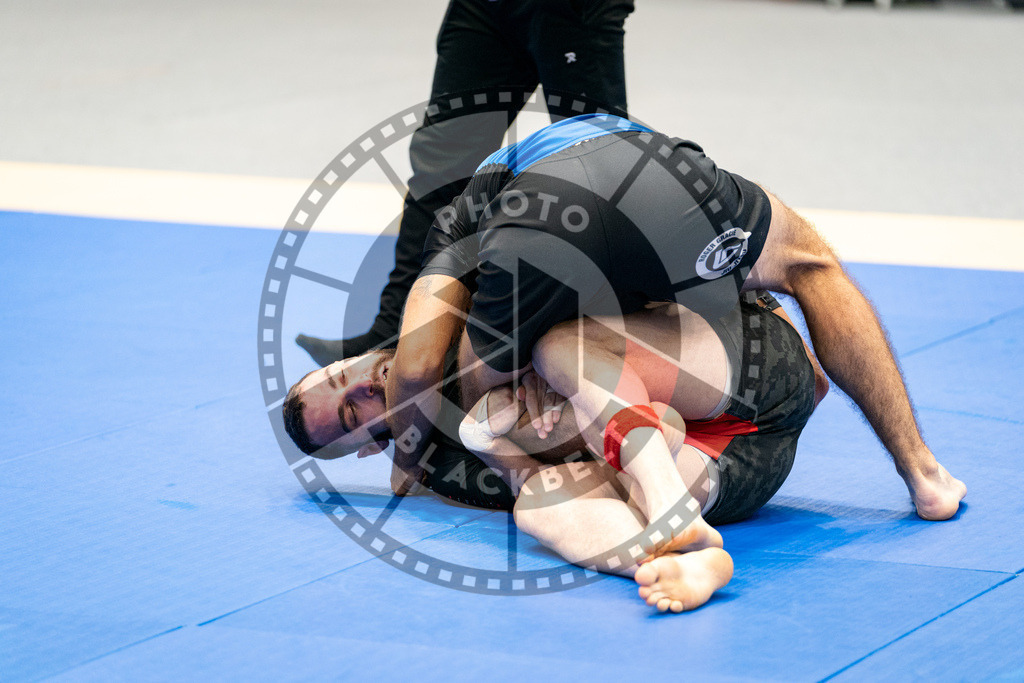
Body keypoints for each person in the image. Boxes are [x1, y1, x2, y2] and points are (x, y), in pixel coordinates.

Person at [382, 112, 966, 543]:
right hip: (658, 170)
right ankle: (924, 472)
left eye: (362, 382)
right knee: (809, 263)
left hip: (535, 212)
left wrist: (406, 464)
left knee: (505, 395)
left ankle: (648, 490)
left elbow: (413, 368)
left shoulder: (458, 226)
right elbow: (720, 282)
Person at [283, 291, 828, 611]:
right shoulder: (443, 465)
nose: (360, 386)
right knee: (534, 504)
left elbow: (627, 260)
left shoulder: (439, 307)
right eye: (352, 414)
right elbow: (569, 477)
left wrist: (762, 305)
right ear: (363, 450)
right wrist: (501, 442)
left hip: (733, 370)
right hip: (733, 467)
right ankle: (680, 556)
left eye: (340, 375)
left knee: (558, 345)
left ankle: (664, 499)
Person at [296, 0, 635, 365]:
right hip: (484, 7)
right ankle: (398, 335)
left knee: (597, 165)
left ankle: (618, 342)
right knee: (441, 166)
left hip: (572, 10)